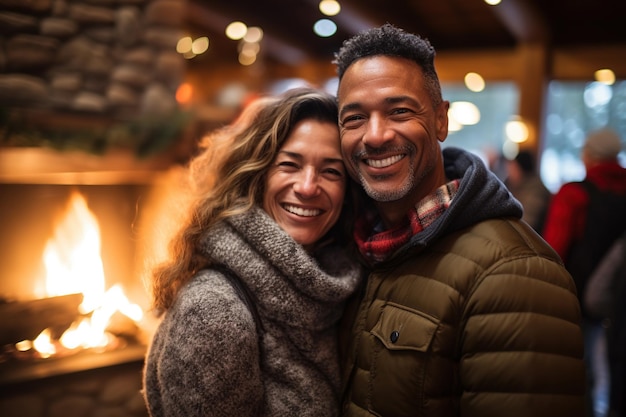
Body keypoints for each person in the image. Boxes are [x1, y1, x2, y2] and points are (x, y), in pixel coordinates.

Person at [333, 23, 585, 417]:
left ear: (440, 121)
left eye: (399, 111)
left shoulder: (515, 273)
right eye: (354, 118)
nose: (375, 135)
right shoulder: (361, 247)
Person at [142, 87, 363, 417]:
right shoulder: (215, 309)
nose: (307, 187)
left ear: (347, 193)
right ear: (257, 175)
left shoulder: (333, 292)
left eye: (331, 171)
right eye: (289, 164)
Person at [543, 128, 626, 417]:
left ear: (589, 156)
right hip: (620, 301)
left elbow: (553, 250)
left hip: (578, 295)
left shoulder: (574, 194)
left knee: (580, 368)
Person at [504, 149, 551, 233]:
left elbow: (526, 223)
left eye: (513, 169)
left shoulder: (536, 190)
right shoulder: (513, 186)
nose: (509, 173)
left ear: (522, 169)